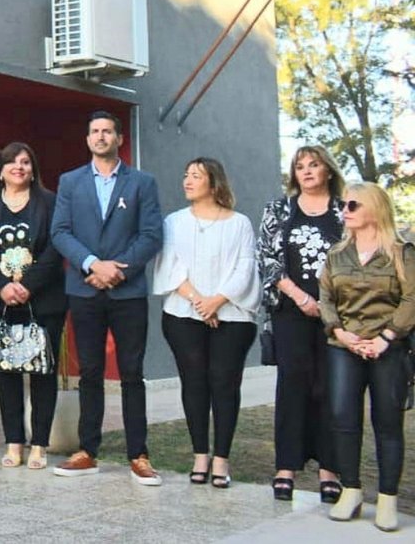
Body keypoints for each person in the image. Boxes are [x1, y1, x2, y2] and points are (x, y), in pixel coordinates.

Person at [50, 110, 165, 485]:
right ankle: (87, 450)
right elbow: (61, 232)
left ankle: (139, 454)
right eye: (94, 131)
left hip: (127, 290)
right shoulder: (70, 182)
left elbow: (151, 235)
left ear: (118, 139)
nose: (100, 137)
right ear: (87, 140)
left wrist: (119, 269)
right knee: (90, 372)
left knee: (132, 374)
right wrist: (92, 265)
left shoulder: (142, 183)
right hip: (84, 289)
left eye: (107, 131)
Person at [150, 158, 261, 489]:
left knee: (225, 384)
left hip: (232, 316)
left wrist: (217, 300)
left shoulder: (239, 223)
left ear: (214, 184)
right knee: (194, 383)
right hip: (184, 315)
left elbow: (245, 266)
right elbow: (168, 265)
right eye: (186, 174)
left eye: (196, 176)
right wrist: (199, 301)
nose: (187, 180)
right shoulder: (173, 222)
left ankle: (222, 459)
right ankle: (200, 454)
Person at [320, 182, 414, 530]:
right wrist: (341, 332)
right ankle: (351, 490)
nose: (345, 210)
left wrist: (386, 337)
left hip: (388, 347)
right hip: (344, 347)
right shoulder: (336, 254)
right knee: (343, 418)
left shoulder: (402, 252)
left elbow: (411, 300)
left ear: (374, 208)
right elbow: (326, 298)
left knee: (388, 423)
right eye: (344, 205)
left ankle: (387, 499)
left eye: (354, 205)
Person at [0, 142, 64, 471]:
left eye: (25, 162)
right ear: (2, 169)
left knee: (43, 372)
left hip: (44, 300)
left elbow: (55, 248)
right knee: (6, 372)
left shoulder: (50, 203)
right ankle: (14, 442)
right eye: (12, 162)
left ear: (33, 168)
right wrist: (3, 285)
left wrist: (27, 285)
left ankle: (39, 444)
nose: (18, 167)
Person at [257, 145, 344, 503]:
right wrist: (301, 297)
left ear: (327, 170)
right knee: (292, 385)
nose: (306, 171)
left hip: (337, 313)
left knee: (329, 388)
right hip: (291, 310)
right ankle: (286, 468)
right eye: (300, 166)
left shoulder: (345, 209)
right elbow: (267, 258)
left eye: (314, 165)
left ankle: (329, 470)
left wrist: (325, 303)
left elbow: (358, 258)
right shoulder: (278, 209)